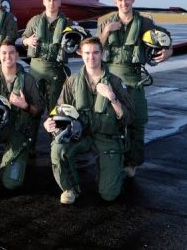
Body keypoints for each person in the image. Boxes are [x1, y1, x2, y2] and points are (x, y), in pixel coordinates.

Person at [44, 37, 133, 204]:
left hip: (107, 137)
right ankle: (70, 188)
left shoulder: (115, 82)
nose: (91, 57)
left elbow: (128, 118)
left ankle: (115, 169)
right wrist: (50, 123)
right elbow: (59, 111)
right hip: (80, 135)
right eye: (87, 53)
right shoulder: (72, 82)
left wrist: (112, 97)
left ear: (102, 54)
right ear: (81, 54)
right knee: (57, 148)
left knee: (109, 194)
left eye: (95, 53)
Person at [97, 0, 172, 178]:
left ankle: (132, 163)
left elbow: (166, 39)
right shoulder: (105, 22)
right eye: (120, 0)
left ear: (133, 0)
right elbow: (94, 47)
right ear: (115, 2)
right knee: (108, 122)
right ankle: (109, 158)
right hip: (111, 79)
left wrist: (168, 52)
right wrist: (106, 32)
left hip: (133, 79)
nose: (124, 3)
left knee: (136, 123)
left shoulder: (145, 23)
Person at [0, 40, 44, 197]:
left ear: (17, 55)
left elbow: (39, 110)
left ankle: (7, 167)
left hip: (18, 130)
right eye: (4, 53)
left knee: (12, 183)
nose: (8, 56)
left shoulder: (28, 80)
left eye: (12, 52)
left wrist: (25, 106)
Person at [21, 0, 74, 153]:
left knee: (55, 111)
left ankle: (55, 144)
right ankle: (29, 145)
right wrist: (27, 40)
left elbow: (77, 43)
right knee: (33, 109)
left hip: (56, 72)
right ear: (44, 2)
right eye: (49, 0)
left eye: (55, 0)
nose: (51, 3)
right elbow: (22, 39)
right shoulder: (35, 21)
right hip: (36, 70)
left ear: (59, 2)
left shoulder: (67, 24)